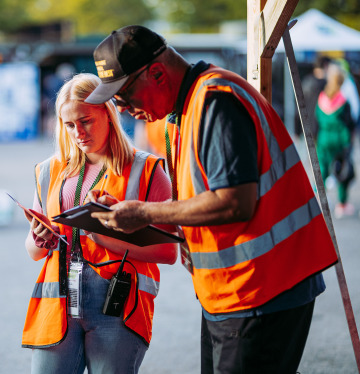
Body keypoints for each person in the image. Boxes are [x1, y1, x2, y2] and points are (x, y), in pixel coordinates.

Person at [84, 25, 338, 374]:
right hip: (237, 292)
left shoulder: (215, 100)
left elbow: (235, 202)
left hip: (263, 290)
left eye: (125, 96)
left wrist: (144, 211)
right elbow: (196, 203)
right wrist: (127, 211)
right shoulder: (184, 110)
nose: (124, 109)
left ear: (156, 72)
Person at [22, 73, 178, 374]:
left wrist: (106, 239)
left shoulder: (147, 170)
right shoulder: (48, 171)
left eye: (86, 121)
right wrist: (40, 238)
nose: (78, 132)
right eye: (69, 125)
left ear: (108, 113)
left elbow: (168, 252)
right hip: (57, 306)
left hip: (119, 306)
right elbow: (33, 251)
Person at [315, 62, 356, 219]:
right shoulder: (343, 101)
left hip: (324, 140)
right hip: (340, 141)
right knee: (342, 172)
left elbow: (315, 120)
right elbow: (350, 122)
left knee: (321, 171)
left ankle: (318, 199)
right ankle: (342, 204)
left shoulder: (321, 98)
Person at [295, 55, 331, 139]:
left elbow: (298, 108)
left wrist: (297, 131)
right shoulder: (327, 85)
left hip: (306, 129)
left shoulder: (306, 81)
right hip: (322, 130)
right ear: (326, 66)